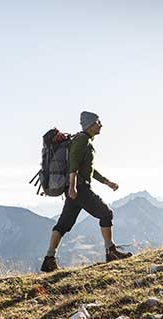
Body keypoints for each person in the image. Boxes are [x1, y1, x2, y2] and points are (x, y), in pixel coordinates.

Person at [41, 111, 132, 272]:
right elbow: (73, 164)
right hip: (80, 189)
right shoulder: (82, 139)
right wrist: (73, 186)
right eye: (98, 122)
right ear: (90, 124)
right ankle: (111, 252)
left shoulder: (83, 140)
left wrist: (106, 182)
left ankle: (49, 259)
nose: (101, 125)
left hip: (75, 189)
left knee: (63, 224)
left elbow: (88, 168)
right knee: (106, 213)